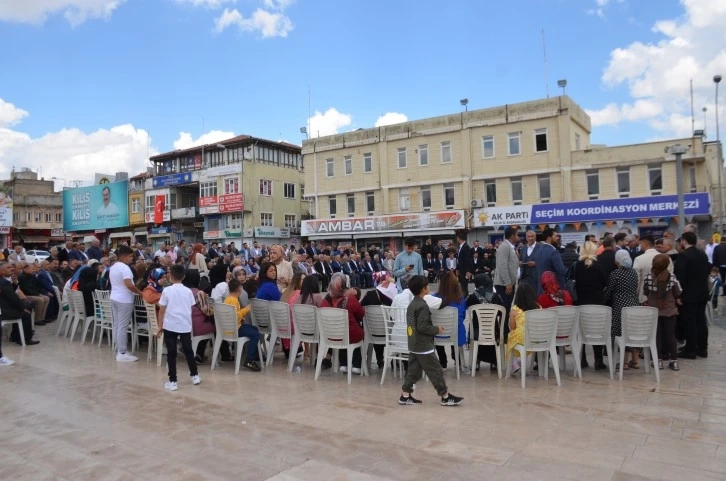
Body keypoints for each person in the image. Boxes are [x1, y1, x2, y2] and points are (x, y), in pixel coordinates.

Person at [399, 275, 463, 406]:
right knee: (435, 370)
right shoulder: (422, 306)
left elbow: (412, 324)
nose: (428, 288)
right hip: (423, 345)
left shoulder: (412, 304)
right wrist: (436, 329)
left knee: (413, 371)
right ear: (423, 289)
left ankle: (405, 395)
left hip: (413, 343)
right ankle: (445, 396)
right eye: (427, 286)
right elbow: (422, 327)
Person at [157, 265, 200, 391]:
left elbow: (161, 310)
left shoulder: (166, 291)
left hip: (170, 325)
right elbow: (191, 307)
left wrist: (160, 325)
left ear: (170, 276)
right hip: (185, 325)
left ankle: (173, 381)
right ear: (184, 276)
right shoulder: (188, 291)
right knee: (188, 351)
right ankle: (195, 375)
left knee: (171, 353)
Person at [320, 272, 365, 373]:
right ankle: (356, 365)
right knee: (355, 331)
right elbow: (361, 314)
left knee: (341, 331)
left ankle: (343, 364)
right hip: (349, 335)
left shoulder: (325, 300)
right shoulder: (350, 298)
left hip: (329, 334)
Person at [675, 231, 710, 359]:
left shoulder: (684, 256)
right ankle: (702, 348)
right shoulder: (702, 255)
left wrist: (678, 295)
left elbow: (680, 278)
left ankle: (690, 349)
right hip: (702, 293)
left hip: (689, 295)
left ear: (684, 241)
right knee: (701, 321)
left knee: (690, 322)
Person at [644, 253, 682, 371]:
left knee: (656, 336)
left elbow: (646, 291)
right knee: (670, 336)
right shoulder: (672, 277)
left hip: (654, 310)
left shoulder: (649, 277)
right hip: (669, 310)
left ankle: (657, 360)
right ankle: (674, 361)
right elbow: (678, 291)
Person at [604, 249, 640, 370]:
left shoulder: (616, 273)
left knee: (621, 333)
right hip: (634, 304)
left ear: (617, 260)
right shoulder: (634, 273)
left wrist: (605, 299)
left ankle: (624, 363)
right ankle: (635, 362)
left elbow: (609, 291)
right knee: (633, 332)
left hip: (620, 306)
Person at [574, 241, 608, 370]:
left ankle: (582, 360)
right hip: (597, 303)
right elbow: (605, 282)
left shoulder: (577, 265)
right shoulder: (598, 266)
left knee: (580, 332)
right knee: (596, 332)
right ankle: (598, 360)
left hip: (581, 303)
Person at [109, 245, 143, 362]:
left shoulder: (113, 267)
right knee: (122, 326)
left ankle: (118, 349)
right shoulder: (125, 268)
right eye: (130, 256)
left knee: (117, 325)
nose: (132, 259)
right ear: (123, 257)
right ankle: (122, 353)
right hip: (124, 300)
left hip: (114, 297)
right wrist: (140, 293)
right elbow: (129, 284)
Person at [433, 270, 468, 373]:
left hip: (438, 332)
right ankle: (456, 358)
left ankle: (442, 361)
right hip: (456, 332)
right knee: (457, 326)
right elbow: (463, 316)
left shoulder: (434, 297)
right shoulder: (460, 299)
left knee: (435, 329)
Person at [224, 278, 262, 371]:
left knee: (254, 329)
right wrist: (245, 310)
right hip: (236, 329)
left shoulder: (227, 299)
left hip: (228, 328)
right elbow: (235, 316)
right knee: (256, 334)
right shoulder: (234, 300)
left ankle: (252, 355)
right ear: (239, 289)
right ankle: (250, 359)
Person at [0, 261, 38, 349]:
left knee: (24, 307)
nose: (12, 269)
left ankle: (15, 336)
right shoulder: (4, 282)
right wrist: (22, 308)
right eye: (8, 268)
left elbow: (9, 293)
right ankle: (25, 339)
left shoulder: (4, 281)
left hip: (3, 309)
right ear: (1, 271)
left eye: (11, 267)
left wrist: (14, 283)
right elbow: (13, 299)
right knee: (26, 313)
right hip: (5, 311)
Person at [180, 269, 216, 364]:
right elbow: (207, 311)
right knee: (213, 325)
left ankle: (187, 348)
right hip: (196, 326)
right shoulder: (198, 293)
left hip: (184, 324)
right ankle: (199, 354)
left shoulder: (181, 291)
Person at [506, 283, 540, 373]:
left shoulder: (515, 309)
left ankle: (517, 360)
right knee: (525, 336)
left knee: (514, 336)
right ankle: (519, 361)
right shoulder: (538, 307)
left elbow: (512, 327)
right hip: (537, 338)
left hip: (522, 339)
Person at [531, 228, 568, 296]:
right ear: (549, 237)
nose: (558, 238)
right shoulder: (553, 252)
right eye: (556, 236)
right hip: (554, 291)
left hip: (541, 291)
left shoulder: (538, 251)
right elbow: (561, 270)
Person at [494, 226, 519, 318]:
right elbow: (502, 266)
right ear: (512, 236)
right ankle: (504, 331)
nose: (518, 237)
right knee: (504, 310)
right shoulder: (504, 246)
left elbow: (510, 263)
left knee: (507, 309)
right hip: (504, 284)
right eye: (517, 235)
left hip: (509, 284)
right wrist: (508, 283)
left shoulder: (510, 247)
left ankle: (505, 329)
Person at [454, 231, 473, 296]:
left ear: (459, 238)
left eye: (457, 238)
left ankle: (465, 299)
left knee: (464, 286)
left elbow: (468, 260)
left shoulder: (466, 247)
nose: (457, 239)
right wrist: (457, 268)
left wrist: (468, 271)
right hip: (461, 270)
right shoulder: (460, 247)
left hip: (465, 270)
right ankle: (464, 297)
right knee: (462, 285)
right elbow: (459, 259)